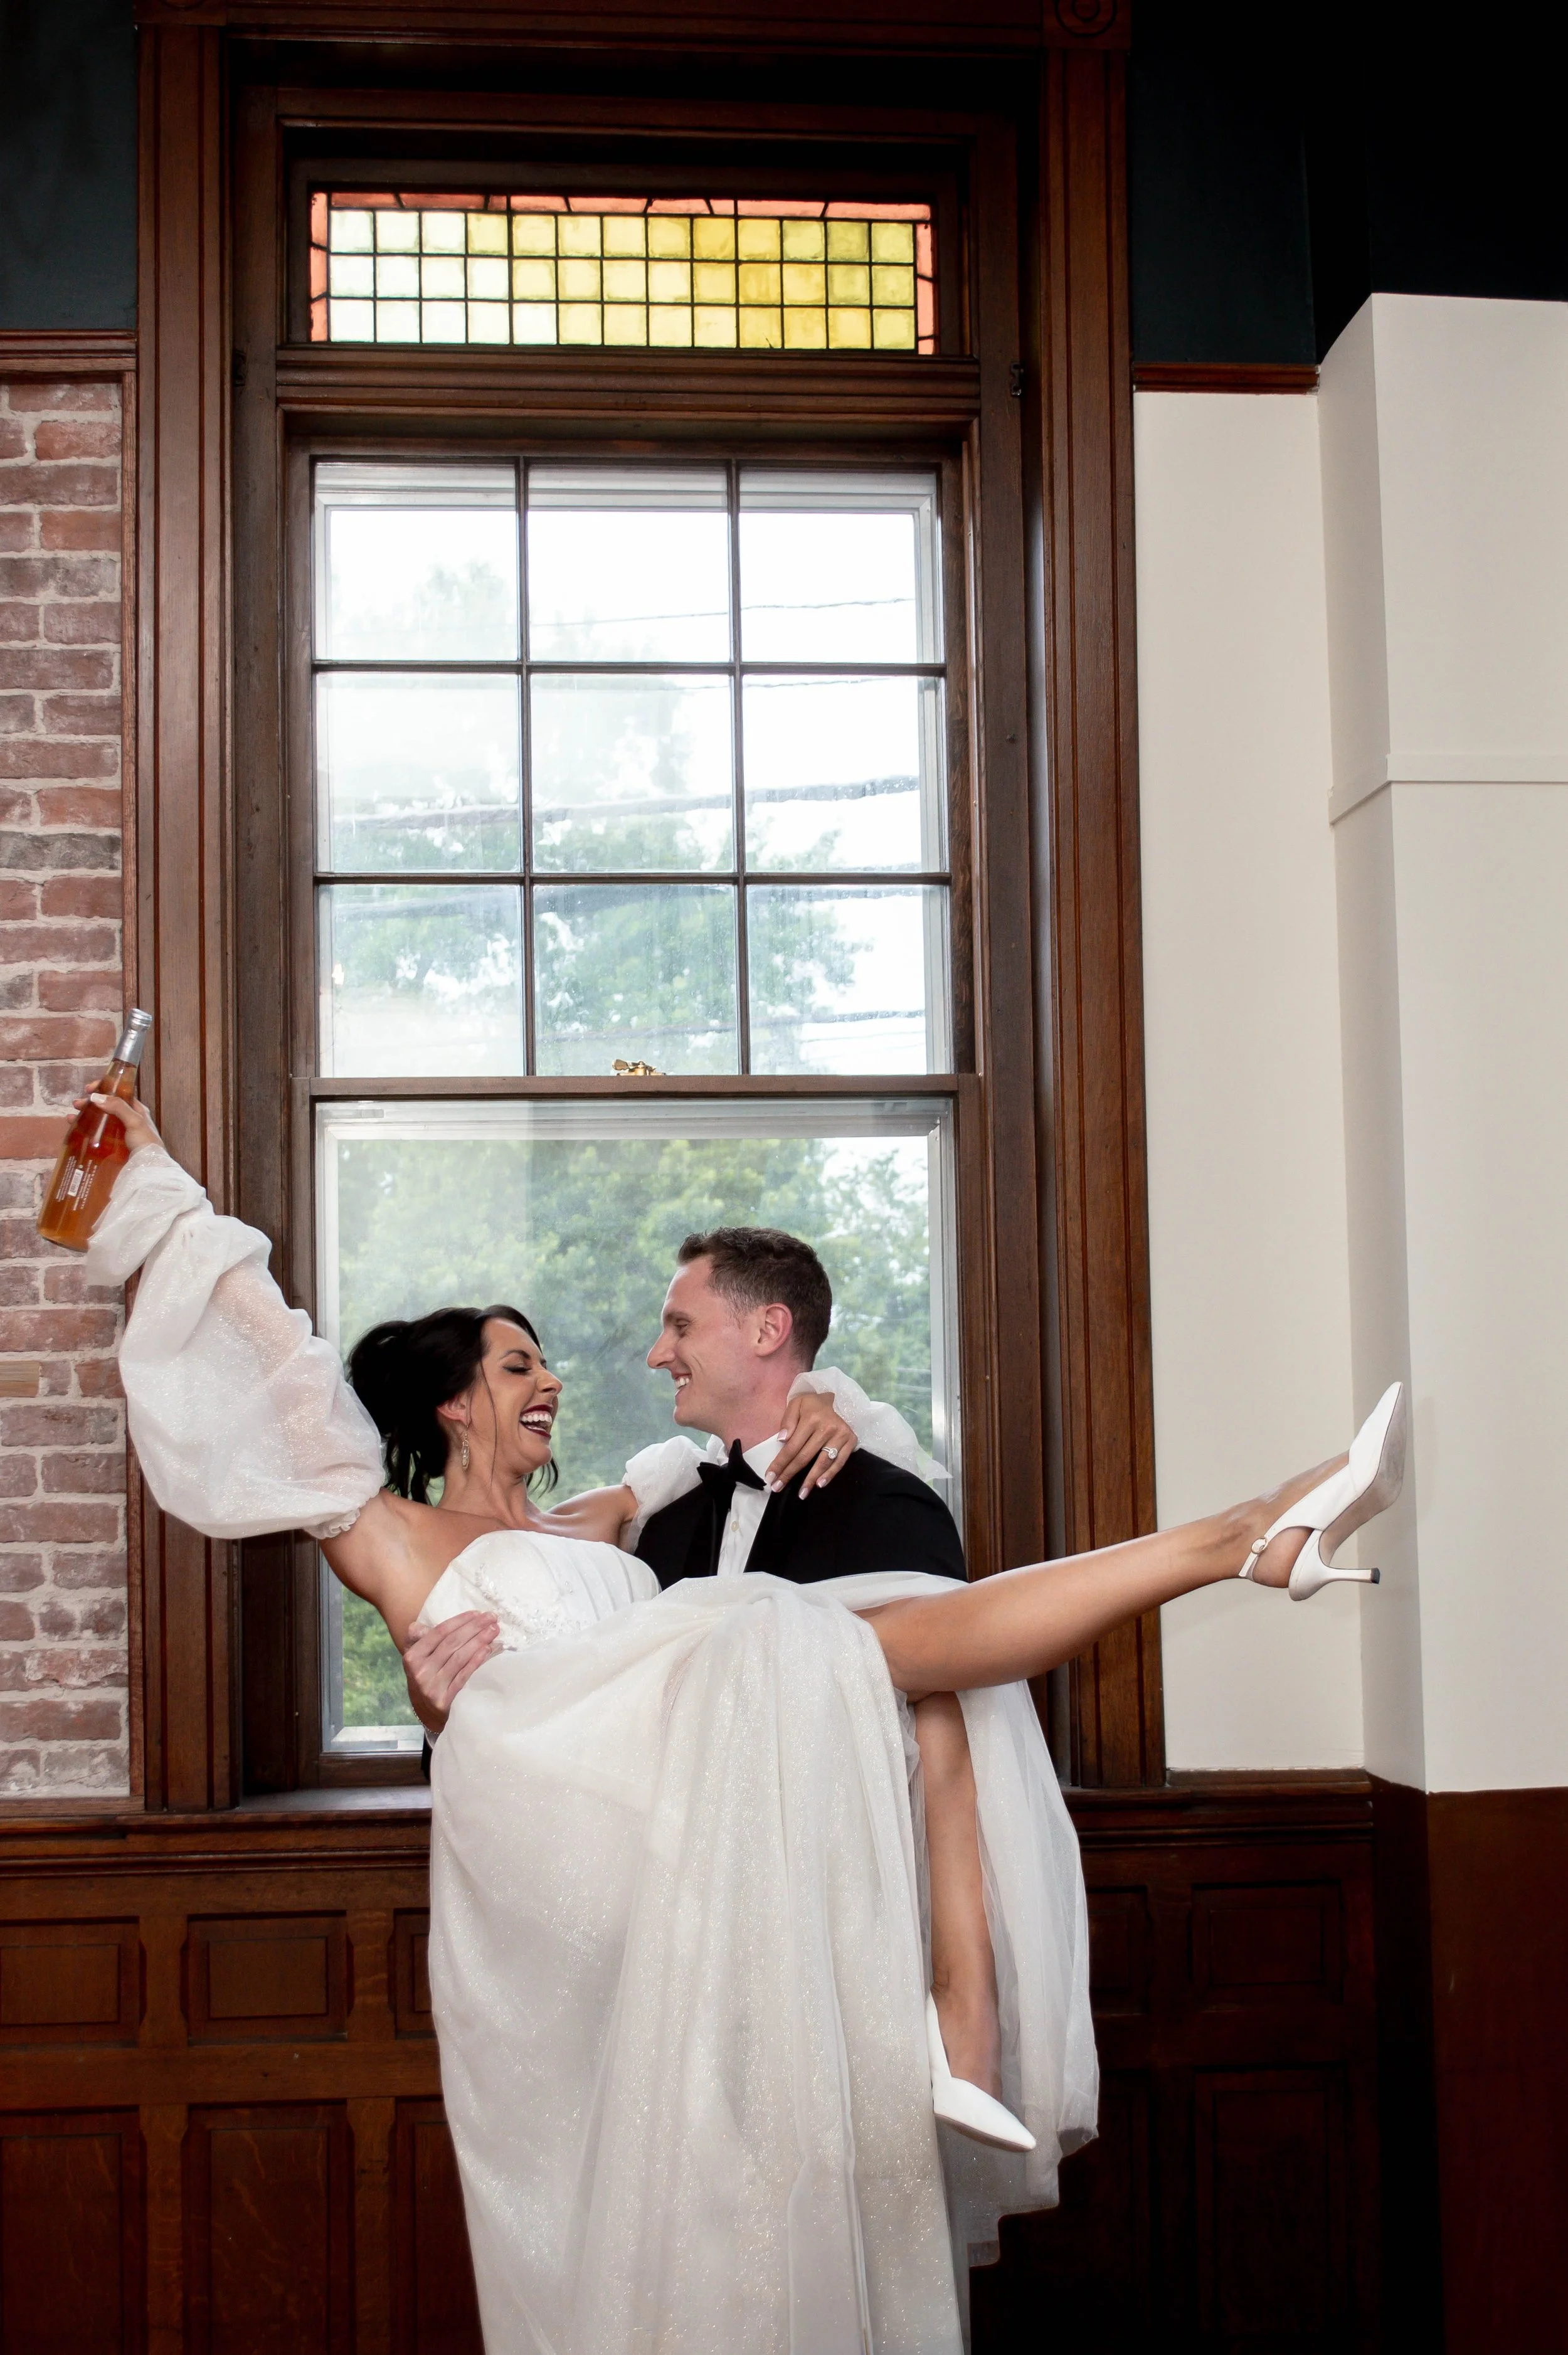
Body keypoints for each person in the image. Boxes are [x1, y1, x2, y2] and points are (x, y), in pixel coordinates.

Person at [78, 1088, 1405, 2355]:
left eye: (560, 1353)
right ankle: (1234, 1536)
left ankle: (975, 2005)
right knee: (817, 1633)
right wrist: (159, 1190)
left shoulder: (596, 1515)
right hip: (563, 1837)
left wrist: (826, 1401)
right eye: (517, 1361)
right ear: (452, 1401)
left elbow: (736, 1461)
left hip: (676, 1820)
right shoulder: (389, 1533)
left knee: (897, 1666)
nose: (558, 1375)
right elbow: (280, 1372)